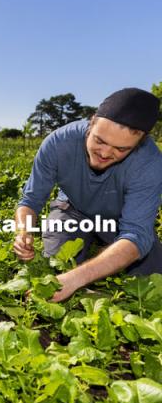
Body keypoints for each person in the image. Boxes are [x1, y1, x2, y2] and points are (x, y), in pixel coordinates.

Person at [13, 88, 162, 302]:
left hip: (119, 218)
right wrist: (23, 231)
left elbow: (136, 236)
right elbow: (30, 200)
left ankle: (100, 259)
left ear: (140, 143)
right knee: (55, 269)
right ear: (91, 123)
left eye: (120, 149)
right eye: (99, 141)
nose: (104, 153)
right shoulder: (59, 143)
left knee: (154, 282)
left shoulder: (149, 163)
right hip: (72, 210)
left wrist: (76, 278)